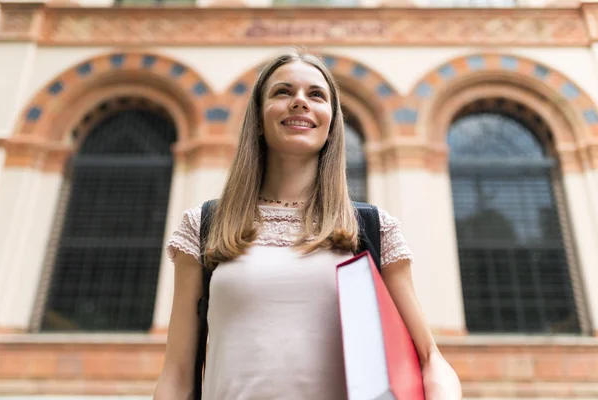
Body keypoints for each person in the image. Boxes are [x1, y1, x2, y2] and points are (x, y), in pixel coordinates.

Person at [153, 49, 462, 400]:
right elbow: (176, 374)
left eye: (316, 95)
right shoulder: (204, 225)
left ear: (331, 122)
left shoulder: (372, 228)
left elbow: (429, 359)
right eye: (283, 92)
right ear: (257, 117)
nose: (300, 102)